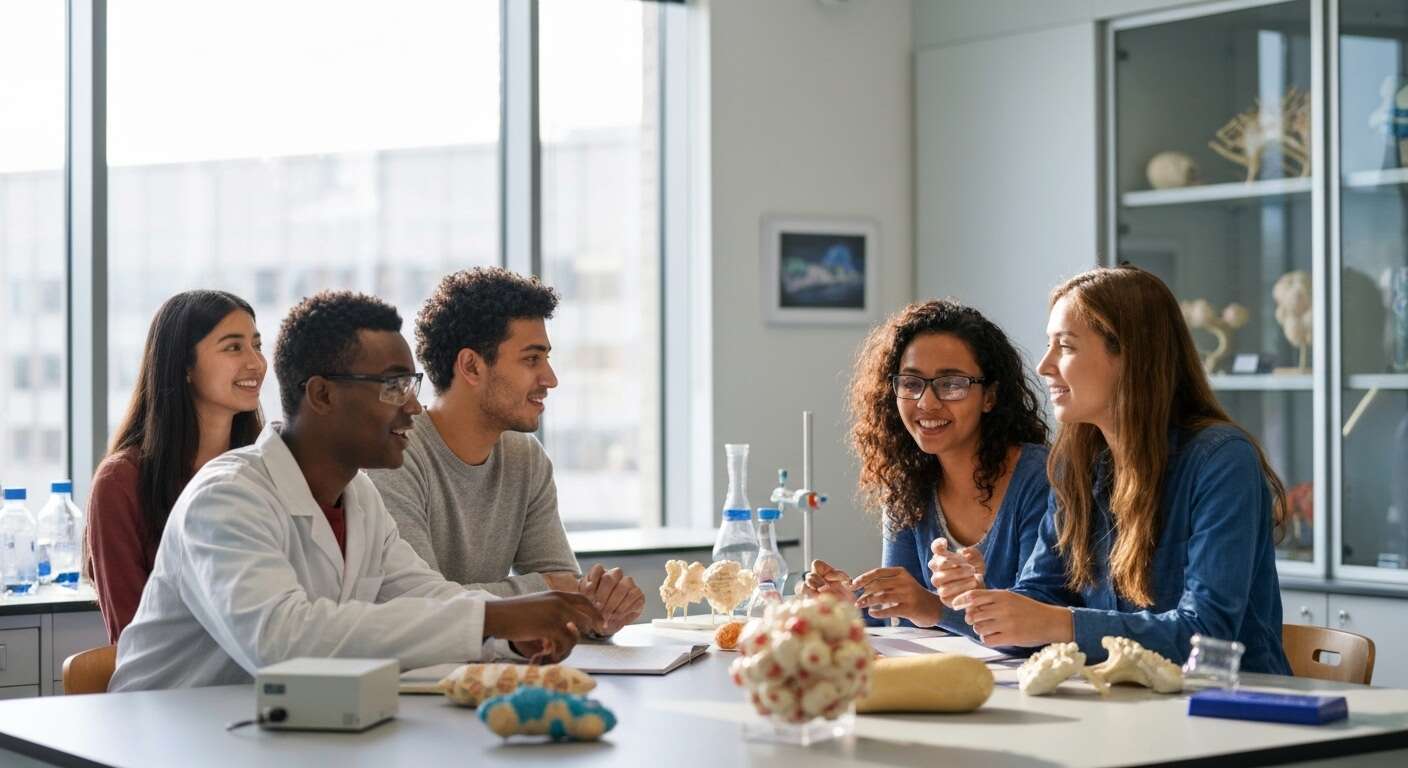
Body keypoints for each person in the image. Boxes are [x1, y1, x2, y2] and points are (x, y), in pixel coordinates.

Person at [108, 291, 599, 691]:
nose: (411, 408)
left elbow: (428, 599)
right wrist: (496, 617)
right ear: (321, 395)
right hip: (159, 745)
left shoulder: (360, 500)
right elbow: (282, 642)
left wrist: (515, 638)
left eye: (411, 385)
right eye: (391, 387)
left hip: (266, 735)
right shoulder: (226, 497)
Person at [951, 266, 1292, 674]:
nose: (1044, 365)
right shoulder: (1074, 465)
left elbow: (1208, 637)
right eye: (1049, 345)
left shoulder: (1221, 461)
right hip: (1125, 710)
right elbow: (1042, 597)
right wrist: (984, 603)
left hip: (1239, 717)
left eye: (1066, 346)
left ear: (1130, 356)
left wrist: (1059, 624)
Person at [369, 268, 644, 636]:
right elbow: (419, 608)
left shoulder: (525, 459)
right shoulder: (394, 454)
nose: (550, 378)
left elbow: (568, 600)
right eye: (532, 360)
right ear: (471, 366)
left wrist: (602, 612)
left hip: (490, 673)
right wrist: (548, 590)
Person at [799, 300, 1049, 639]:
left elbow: (1039, 621)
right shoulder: (908, 483)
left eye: (951, 383)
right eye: (911, 383)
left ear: (989, 396)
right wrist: (848, 605)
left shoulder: (1041, 477)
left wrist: (931, 607)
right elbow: (904, 612)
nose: (927, 403)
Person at [86, 290, 266, 643]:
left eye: (257, 345)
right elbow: (131, 634)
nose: (256, 363)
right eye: (233, 347)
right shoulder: (121, 481)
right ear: (184, 366)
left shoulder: (264, 470)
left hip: (257, 679)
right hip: (168, 689)